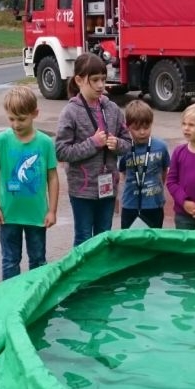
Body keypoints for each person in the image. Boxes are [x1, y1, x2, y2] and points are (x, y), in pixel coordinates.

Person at [55, 53, 132, 246]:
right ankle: (81, 276)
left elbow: (128, 143)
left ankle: (100, 274)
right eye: (95, 80)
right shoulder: (70, 112)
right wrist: (93, 143)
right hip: (82, 190)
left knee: (103, 238)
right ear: (79, 80)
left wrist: (117, 145)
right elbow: (61, 151)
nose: (100, 85)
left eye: (103, 80)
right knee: (83, 238)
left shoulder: (113, 109)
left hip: (108, 188)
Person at [0, 85, 59, 280]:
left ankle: (35, 299)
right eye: (11, 119)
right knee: (10, 261)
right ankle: (12, 301)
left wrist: (52, 210)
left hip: (37, 216)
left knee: (38, 260)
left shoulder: (44, 143)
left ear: (35, 113)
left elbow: (53, 177)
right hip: (9, 216)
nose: (16, 124)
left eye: (21, 119)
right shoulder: (0, 141)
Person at [117, 99, 170, 229]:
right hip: (130, 205)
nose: (142, 132)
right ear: (127, 126)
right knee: (130, 243)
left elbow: (164, 172)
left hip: (154, 205)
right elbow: (122, 174)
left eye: (146, 127)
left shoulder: (161, 146)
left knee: (153, 243)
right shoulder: (125, 148)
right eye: (136, 128)